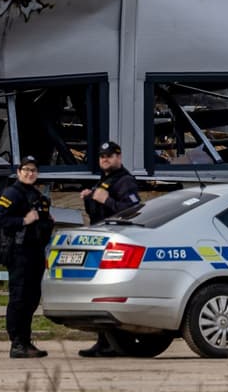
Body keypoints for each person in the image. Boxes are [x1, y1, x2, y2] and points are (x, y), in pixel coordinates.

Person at [78, 141, 140, 358]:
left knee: (111, 294)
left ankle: (115, 342)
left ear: (119, 157)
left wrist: (108, 200)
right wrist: (89, 198)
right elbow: (98, 213)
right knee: (100, 295)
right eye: (102, 156)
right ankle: (103, 342)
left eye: (110, 156)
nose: (105, 159)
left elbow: (132, 211)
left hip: (117, 242)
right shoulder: (104, 180)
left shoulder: (125, 181)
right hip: (101, 240)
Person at [0, 156, 54, 359]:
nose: (30, 173)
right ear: (19, 172)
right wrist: (23, 220)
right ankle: (17, 342)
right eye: (26, 169)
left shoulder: (37, 196)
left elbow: (45, 222)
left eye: (33, 170)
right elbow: (0, 219)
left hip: (34, 253)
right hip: (18, 253)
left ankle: (26, 342)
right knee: (19, 298)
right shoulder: (12, 193)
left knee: (31, 299)